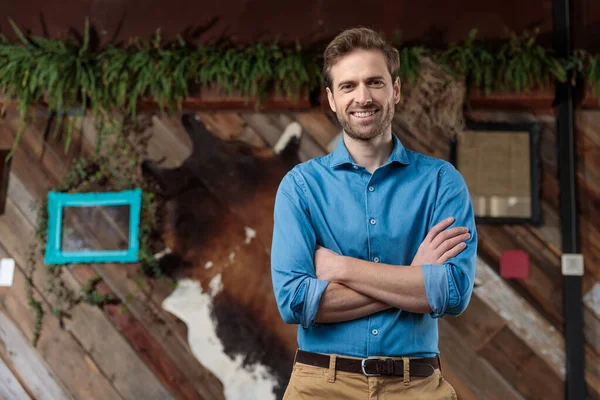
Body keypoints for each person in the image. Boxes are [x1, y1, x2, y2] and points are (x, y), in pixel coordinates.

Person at [271, 27, 477, 399]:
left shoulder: (442, 183)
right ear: (332, 99)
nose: (362, 97)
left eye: (374, 82)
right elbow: (295, 300)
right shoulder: (300, 187)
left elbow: (452, 292)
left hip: (417, 386)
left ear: (395, 90)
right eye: (348, 86)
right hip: (321, 386)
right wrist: (414, 278)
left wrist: (344, 269)